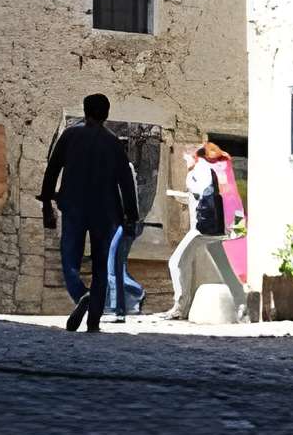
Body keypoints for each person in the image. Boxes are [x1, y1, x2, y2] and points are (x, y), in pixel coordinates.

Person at [40, 94, 140, 333]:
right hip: (105, 212)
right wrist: (131, 216)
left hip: (74, 206)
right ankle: (93, 319)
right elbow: (125, 182)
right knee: (101, 267)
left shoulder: (71, 136)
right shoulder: (113, 143)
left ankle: (80, 293)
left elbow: (52, 169)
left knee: (69, 259)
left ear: (85, 111)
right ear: (106, 114)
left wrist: (46, 204)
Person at [163, 137, 247, 322]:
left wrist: (189, 185)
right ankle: (242, 302)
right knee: (224, 266)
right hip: (223, 226)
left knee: (176, 261)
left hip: (205, 227)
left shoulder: (200, 168)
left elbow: (201, 193)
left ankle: (180, 306)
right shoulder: (222, 168)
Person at [105, 220, 145, 324]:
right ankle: (114, 306)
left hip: (125, 225)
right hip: (127, 225)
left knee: (113, 271)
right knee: (118, 268)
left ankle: (116, 308)